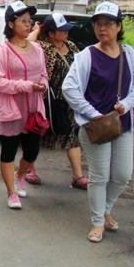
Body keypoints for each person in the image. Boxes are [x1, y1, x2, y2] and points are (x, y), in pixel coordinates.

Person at [63, 1, 134, 243]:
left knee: (122, 175)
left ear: (119, 26)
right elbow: (70, 88)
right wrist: (92, 112)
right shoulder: (87, 55)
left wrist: (127, 104)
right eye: (98, 24)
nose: (103, 29)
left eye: (108, 24)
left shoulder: (129, 54)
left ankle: (106, 208)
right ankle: (98, 221)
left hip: (122, 124)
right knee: (99, 176)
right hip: (96, 126)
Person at [0, 0, 49, 210]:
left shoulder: (37, 49)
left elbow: (43, 74)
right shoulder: (2, 51)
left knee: (32, 151)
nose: (28, 24)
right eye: (23, 21)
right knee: (8, 150)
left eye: (29, 21)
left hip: (33, 107)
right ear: (11, 24)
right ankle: (11, 192)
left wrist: (42, 84)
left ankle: (20, 175)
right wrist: (25, 86)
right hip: (11, 108)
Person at [24, 13, 89, 189]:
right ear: (51, 33)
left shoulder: (72, 47)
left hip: (70, 99)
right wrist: (37, 30)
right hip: (49, 98)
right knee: (38, 133)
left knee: (72, 135)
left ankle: (78, 176)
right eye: (61, 30)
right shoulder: (42, 48)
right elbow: (28, 42)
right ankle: (29, 169)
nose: (66, 33)